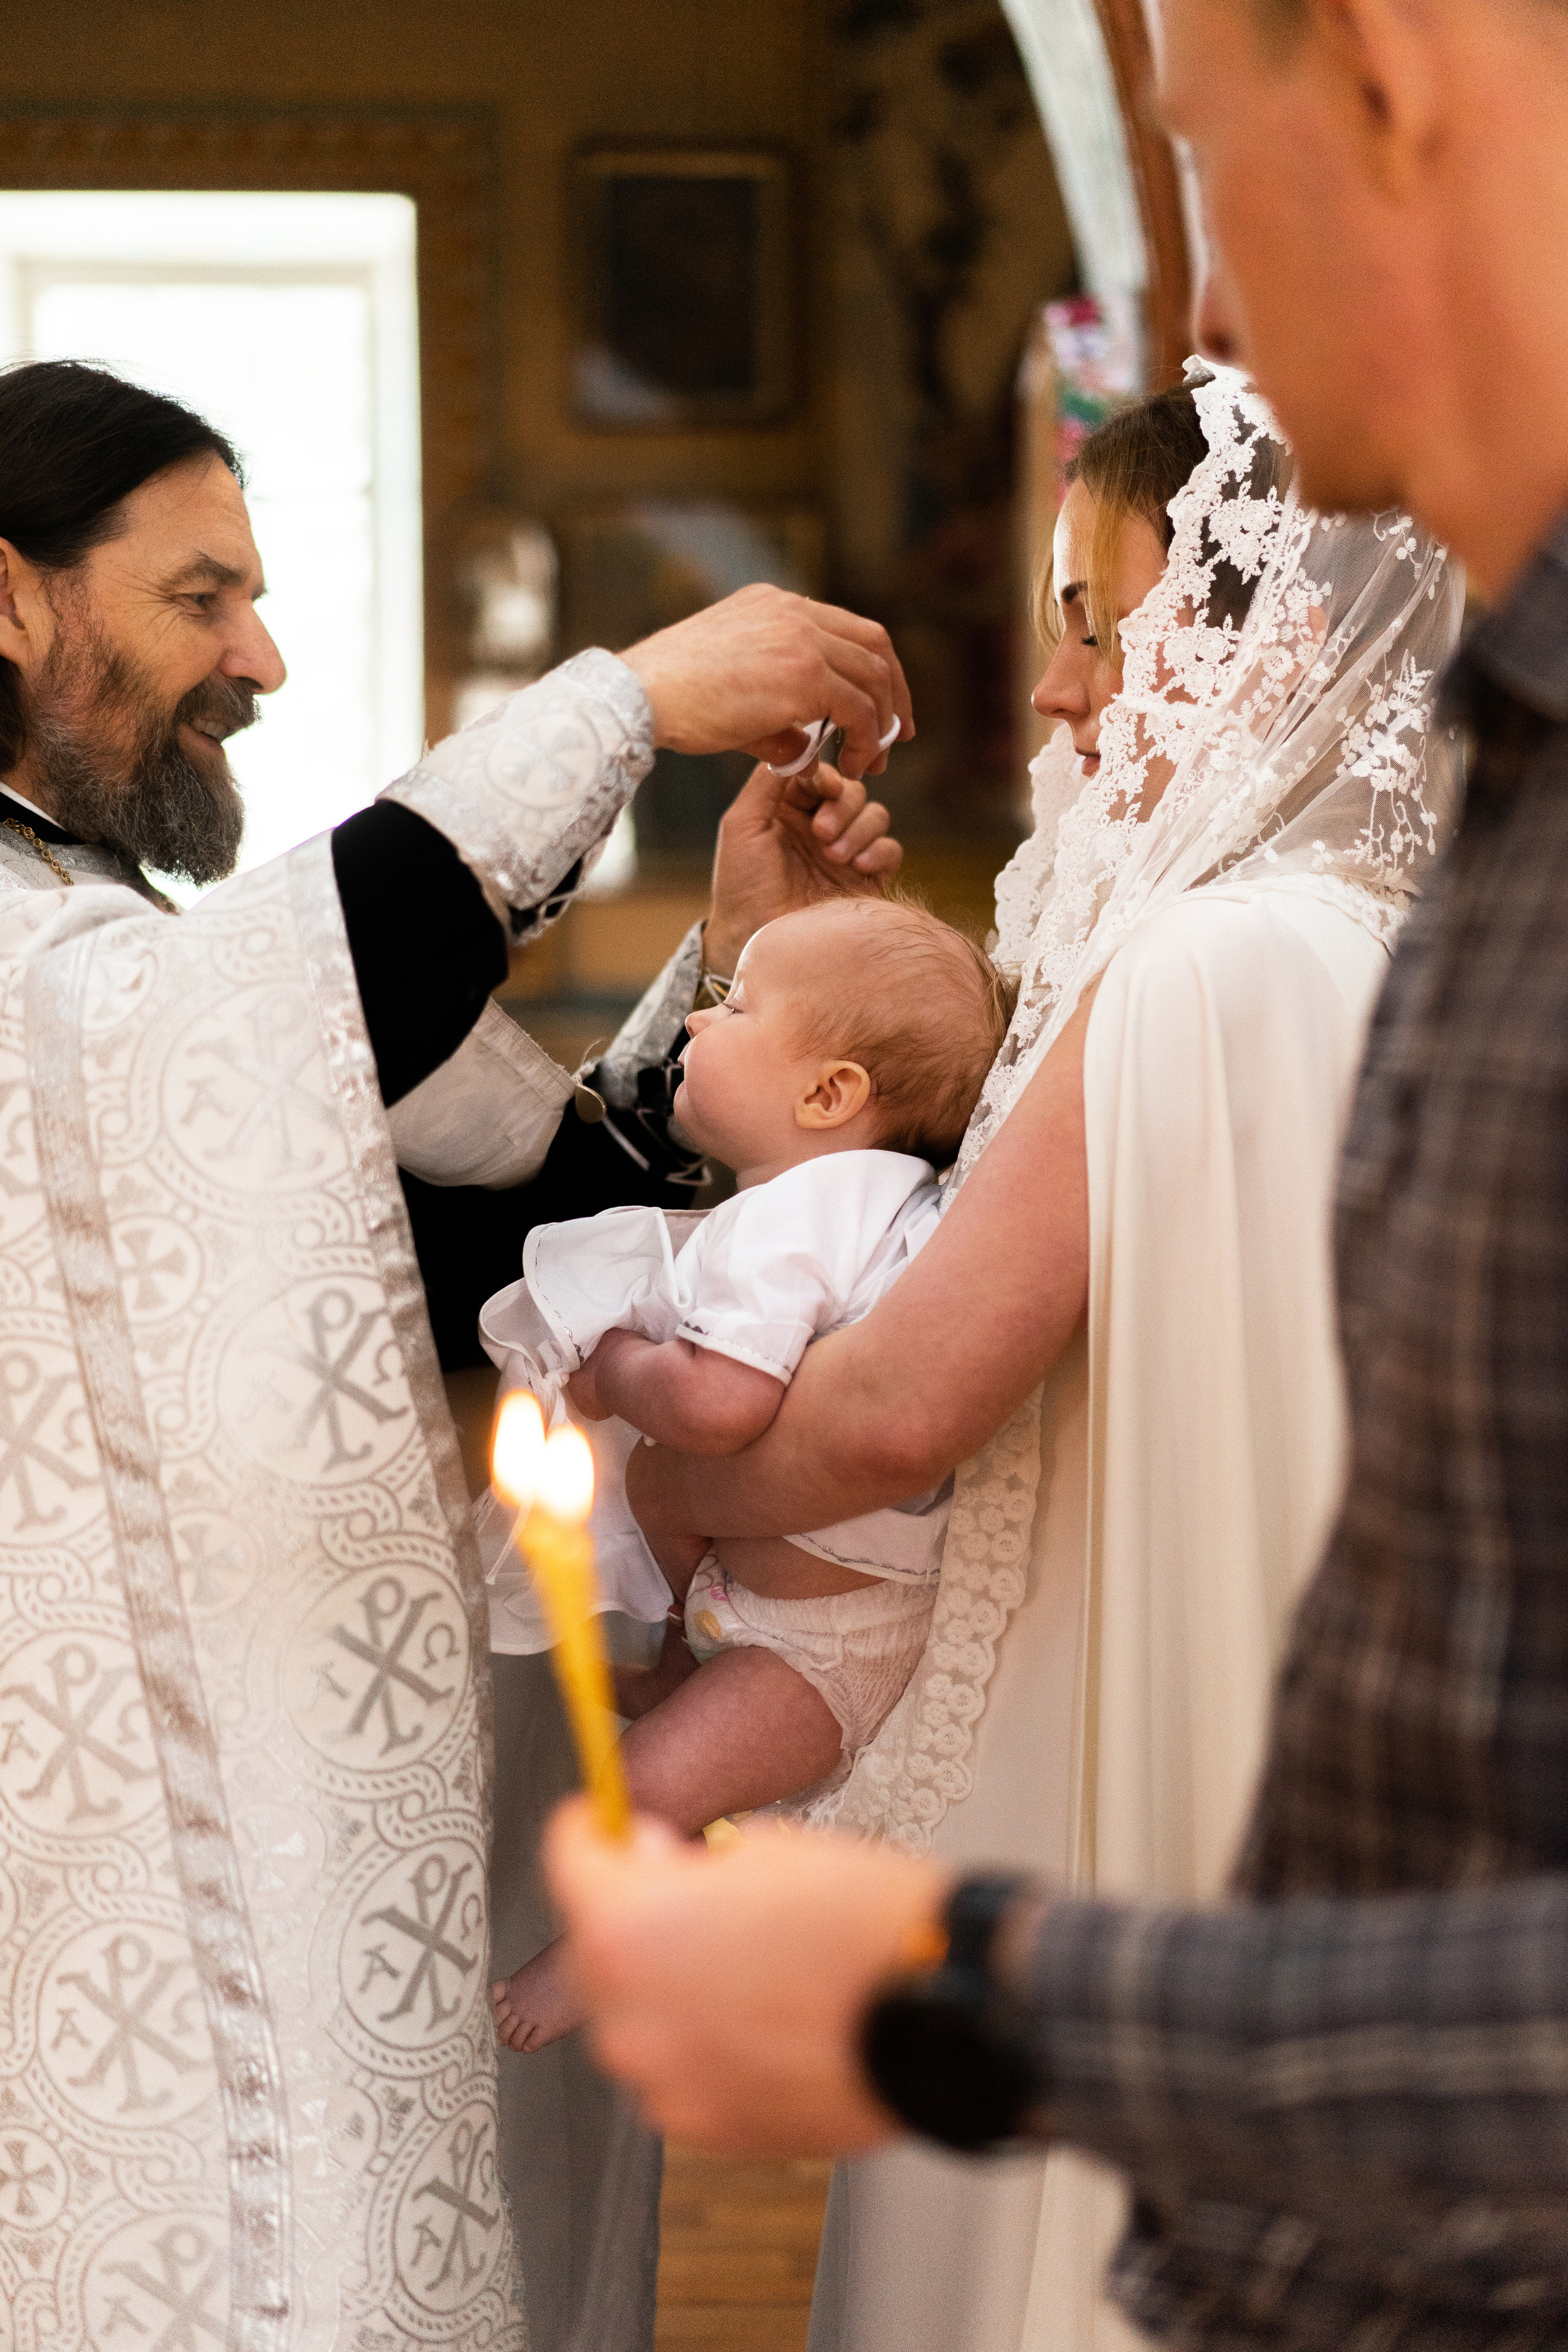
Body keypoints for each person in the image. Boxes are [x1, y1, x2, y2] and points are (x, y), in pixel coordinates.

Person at [547, 0, 1568, 2343]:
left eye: (1099, 626)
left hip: (1124, 1838)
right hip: (1322, 1933)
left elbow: (902, 1398)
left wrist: (650, 1489)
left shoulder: (1211, 967)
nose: (1206, 306)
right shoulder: (1394, 920)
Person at [0, 352, 914, 2347]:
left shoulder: (104, 929)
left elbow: (489, 1244)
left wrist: (737, 969)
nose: (259, 660)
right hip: (141, 1874)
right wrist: (628, 703)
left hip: (367, 1833)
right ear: (12, 598)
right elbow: (293, 996)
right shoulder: (48, 962)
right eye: (197, 597)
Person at [480, 895, 1014, 2051]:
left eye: (733, 1005)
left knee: (641, 1794)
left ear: (829, 1094)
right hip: (789, 1607)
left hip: (823, 1651)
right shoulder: (852, 1200)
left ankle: (610, 1960)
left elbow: (723, 1408)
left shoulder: (803, 1214)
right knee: (664, 1746)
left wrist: (617, 1371)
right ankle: (683, 1666)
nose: (699, 1022)